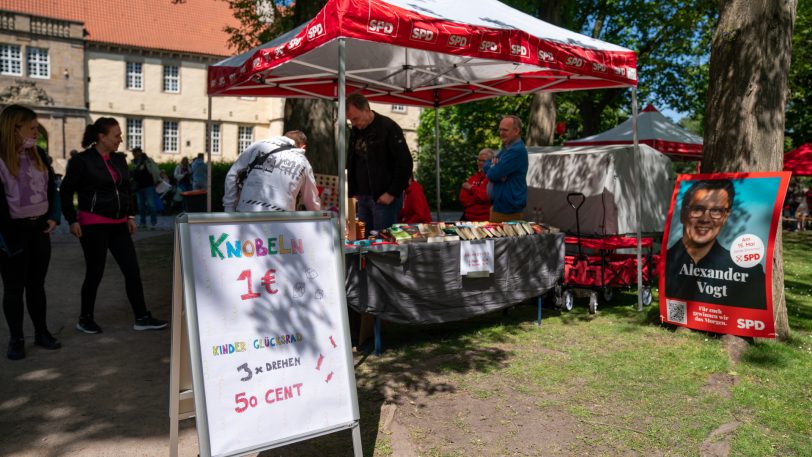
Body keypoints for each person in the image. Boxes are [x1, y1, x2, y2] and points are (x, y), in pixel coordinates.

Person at [60, 117, 168, 334]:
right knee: (95, 272)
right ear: (102, 137)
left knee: (132, 270)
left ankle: (142, 316)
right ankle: (85, 318)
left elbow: (127, 189)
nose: (121, 139)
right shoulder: (82, 161)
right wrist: (72, 219)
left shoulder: (119, 159)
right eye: (116, 135)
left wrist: (130, 216)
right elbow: (65, 191)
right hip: (93, 223)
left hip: (119, 224)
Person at [0, 105, 61, 360]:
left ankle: (41, 332)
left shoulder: (40, 155)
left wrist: (54, 217)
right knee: (14, 288)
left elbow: (52, 190)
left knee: (37, 286)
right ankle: (16, 339)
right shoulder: (2, 159)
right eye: (32, 128)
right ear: (15, 129)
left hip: (39, 230)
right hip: (13, 233)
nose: (37, 132)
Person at [665, 179, 767, 309]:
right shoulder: (665, 263)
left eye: (716, 211)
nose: (705, 219)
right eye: (697, 209)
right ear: (683, 214)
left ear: (725, 217)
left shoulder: (750, 273)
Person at [346, 93, 413, 232]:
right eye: (350, 120)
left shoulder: (388, 127)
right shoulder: (355, 131)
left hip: (384, 198)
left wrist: (391, 193)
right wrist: (354, 190)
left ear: (366, 110)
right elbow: (353, 160)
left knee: (383, 247)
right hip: (363, 197)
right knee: (363, 245)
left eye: (355, 118)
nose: (354, 123)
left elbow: (405, 162)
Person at [223, 130, 320, 212]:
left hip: (246, 212)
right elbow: (312, 201)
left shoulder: (257, 146)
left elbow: (232, 176)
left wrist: (229, 208)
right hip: (279, 220)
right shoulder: (303, 162)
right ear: (303, 147)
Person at [483, 115, 528, 222]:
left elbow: (491, 174)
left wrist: (495, 170)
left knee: (502, 238)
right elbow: (486, 165)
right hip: (501, 206)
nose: (501, 133)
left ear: (516, 131)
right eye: (500, 130)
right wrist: (494, 168)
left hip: (507, 210)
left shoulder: (515, 151)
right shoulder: (507, 148)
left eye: (505, 130)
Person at [459, 148, 494, 221]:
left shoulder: (492, 178)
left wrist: (471, 188)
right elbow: (463, 199)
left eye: (483, 161)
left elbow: (485, 197)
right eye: (479, 160)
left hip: (484, 220)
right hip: (468, 218)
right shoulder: (473, 178)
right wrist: (477, 198)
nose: (480, 163)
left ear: (491, 162)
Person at [130, 147, 160, 229]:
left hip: (148, 185)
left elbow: (155, 170)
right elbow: (134, 174)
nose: (134, 154)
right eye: (133, 153)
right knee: (140, 206)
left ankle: (153, 223)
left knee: (151, 205)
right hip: (138, 187)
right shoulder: (134, 162)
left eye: (135, 152)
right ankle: (143, 222)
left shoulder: (147, 160)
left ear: (139, 152)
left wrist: (156, 180)